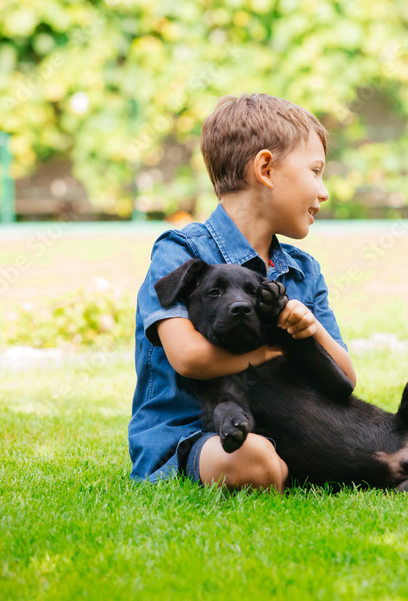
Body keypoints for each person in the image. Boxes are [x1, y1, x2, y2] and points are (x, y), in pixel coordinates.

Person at [129, 93, 355, 492]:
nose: (324, 192)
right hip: (190, 437)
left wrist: (309, 327)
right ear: (265, 169)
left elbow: (345, 378)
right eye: (316, 172)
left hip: (285, 426)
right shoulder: (180, 252)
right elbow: (189, 358)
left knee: (275, 453)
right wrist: (274, 349)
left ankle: (287, 460)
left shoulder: (302, 270)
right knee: (253, 460)